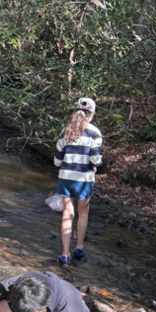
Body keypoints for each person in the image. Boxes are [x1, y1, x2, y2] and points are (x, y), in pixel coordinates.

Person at [53, 97, 102, 264]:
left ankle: (65, 254)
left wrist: (61, 168)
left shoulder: (65, 130)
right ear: (92, 114)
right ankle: (78, 248)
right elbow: (95, 159)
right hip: (84, 180)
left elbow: (57, 159)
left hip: (66, 178)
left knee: (67, 213)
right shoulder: (95, 132)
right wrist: (95, 166)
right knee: (83, 214)